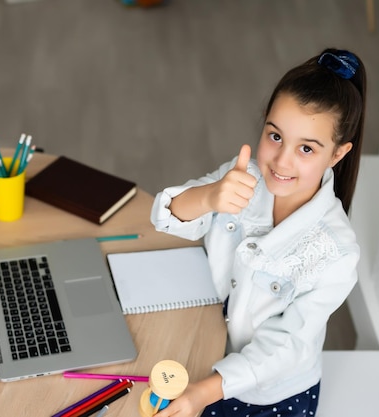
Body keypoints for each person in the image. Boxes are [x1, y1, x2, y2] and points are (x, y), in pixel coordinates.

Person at [150, 48, 366, 417]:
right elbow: (164, 217)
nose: (282, 161)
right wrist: (210, 196)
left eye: (307, 149)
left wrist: (204, 393)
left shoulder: (338, 252)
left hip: (270, 393)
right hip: (206, 348)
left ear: (337, 154)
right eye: (275, 136)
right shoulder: (243, 176)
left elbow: (287, 348)